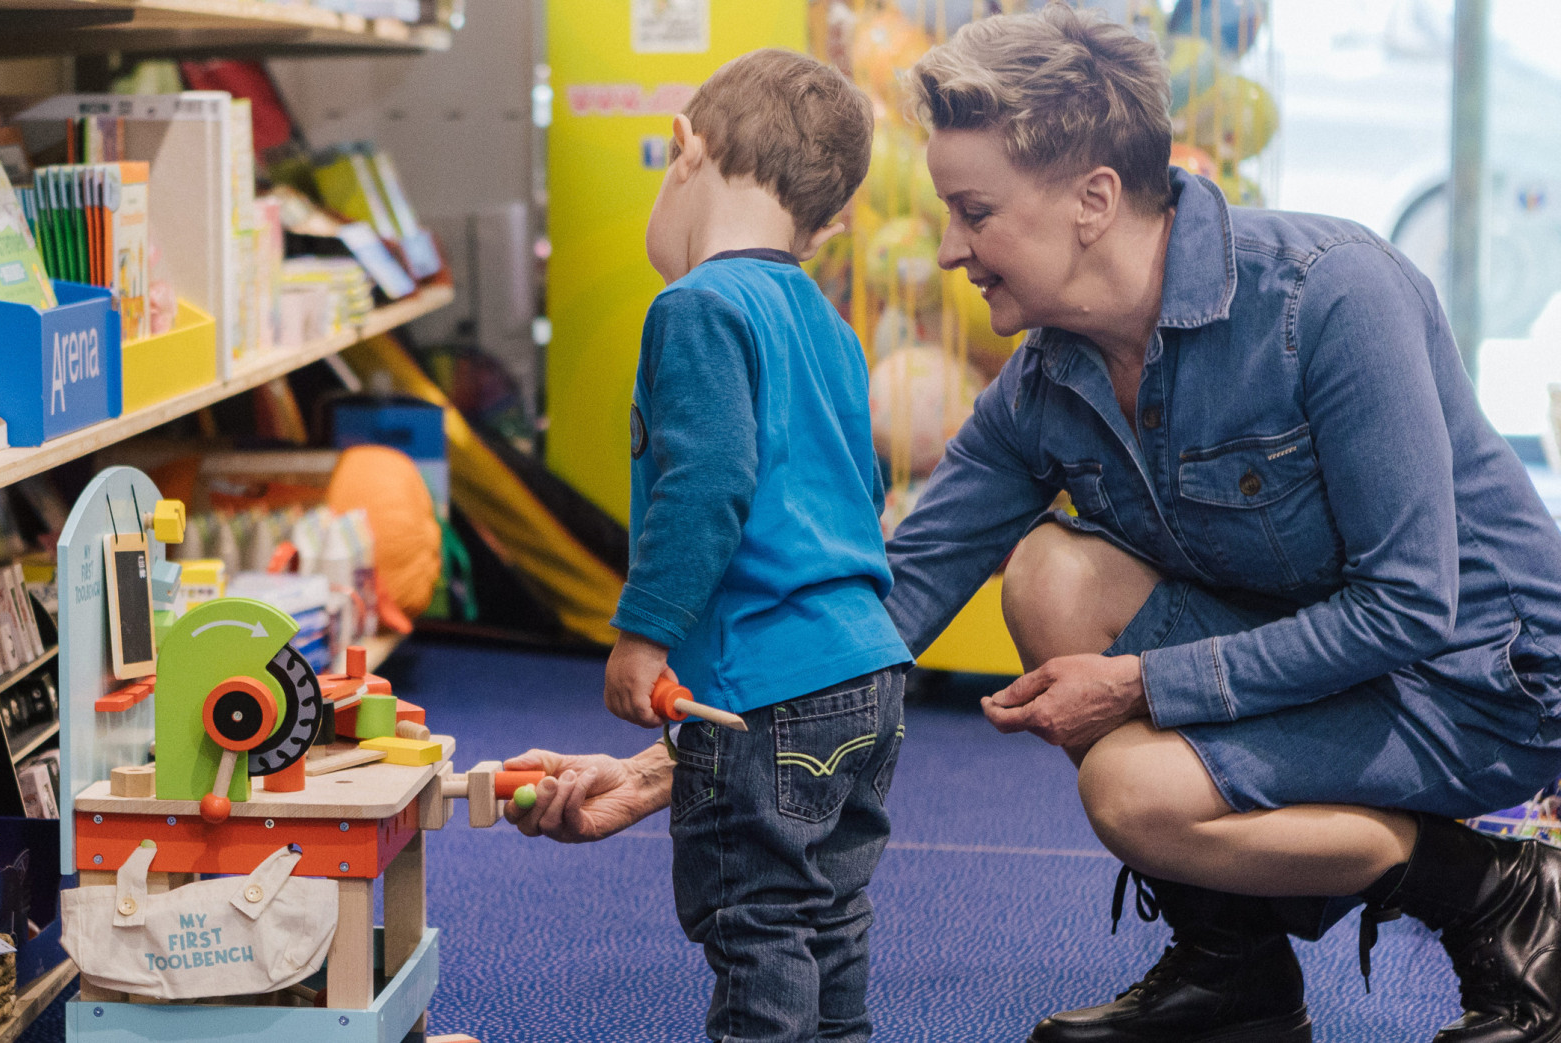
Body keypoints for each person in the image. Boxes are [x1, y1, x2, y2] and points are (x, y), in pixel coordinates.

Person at [508, 6, 1561, 1043]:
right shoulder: (1047, 377)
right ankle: (1234, 967)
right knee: (1048, 575)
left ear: (1092, 199)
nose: (953, 249)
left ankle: (1492, 887)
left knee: (1131, 786)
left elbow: (1408, 604)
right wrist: (688, 761)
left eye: (974, 211)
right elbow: (897, 594)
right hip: (1314, 652)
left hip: (1478, 679)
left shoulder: (1331, 294)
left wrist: (1143, 684)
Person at [577, 47, 912, 1043]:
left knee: (754, 918)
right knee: (828, 915)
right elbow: (862, 485)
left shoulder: (695, 307)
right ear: (832, 216)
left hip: (762, 687)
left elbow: (708, 482)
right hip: (869, 667)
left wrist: (643, 633)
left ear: (688, 148)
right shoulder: (828, 321)